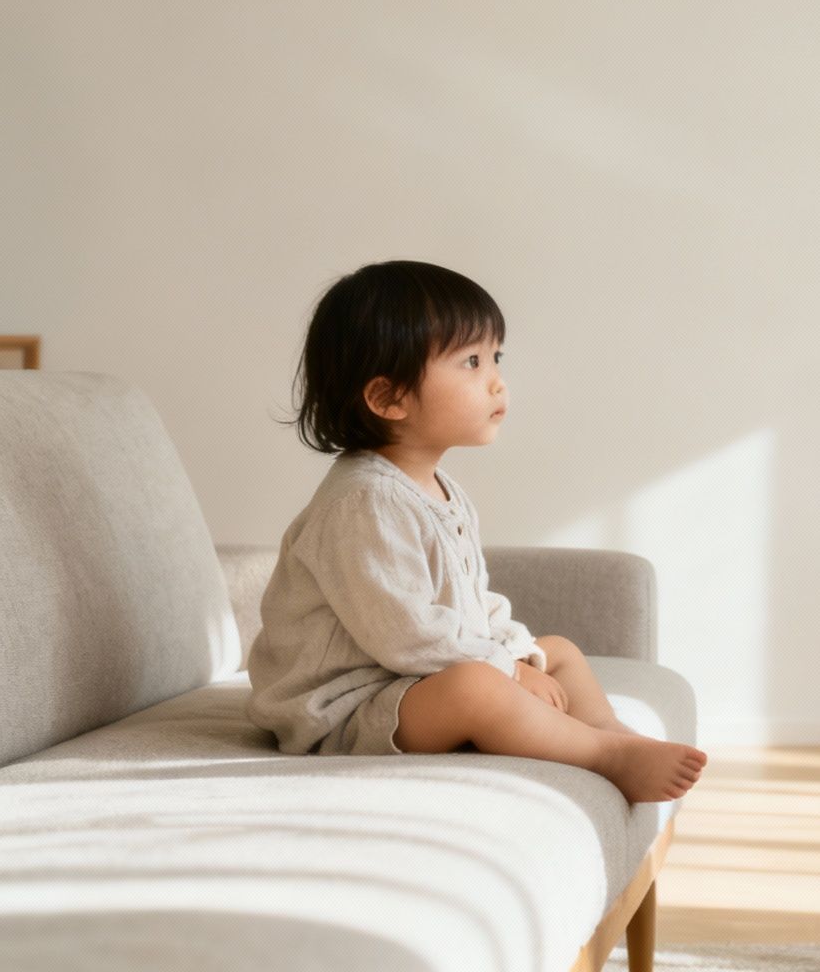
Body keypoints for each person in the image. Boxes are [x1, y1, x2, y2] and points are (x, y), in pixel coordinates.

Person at [246, 260, 708, 803]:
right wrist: (507, 672)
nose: (496, 379)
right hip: (348, 706)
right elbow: (409, 634)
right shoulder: (363, 502)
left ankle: (609, 733)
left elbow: (472, 601)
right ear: (388, 398)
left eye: (496, 357)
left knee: (556, 650)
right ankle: (602, 755)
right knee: (476, 688)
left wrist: (519, 653)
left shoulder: (439, 489)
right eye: (470, 361)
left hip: (410, 678)